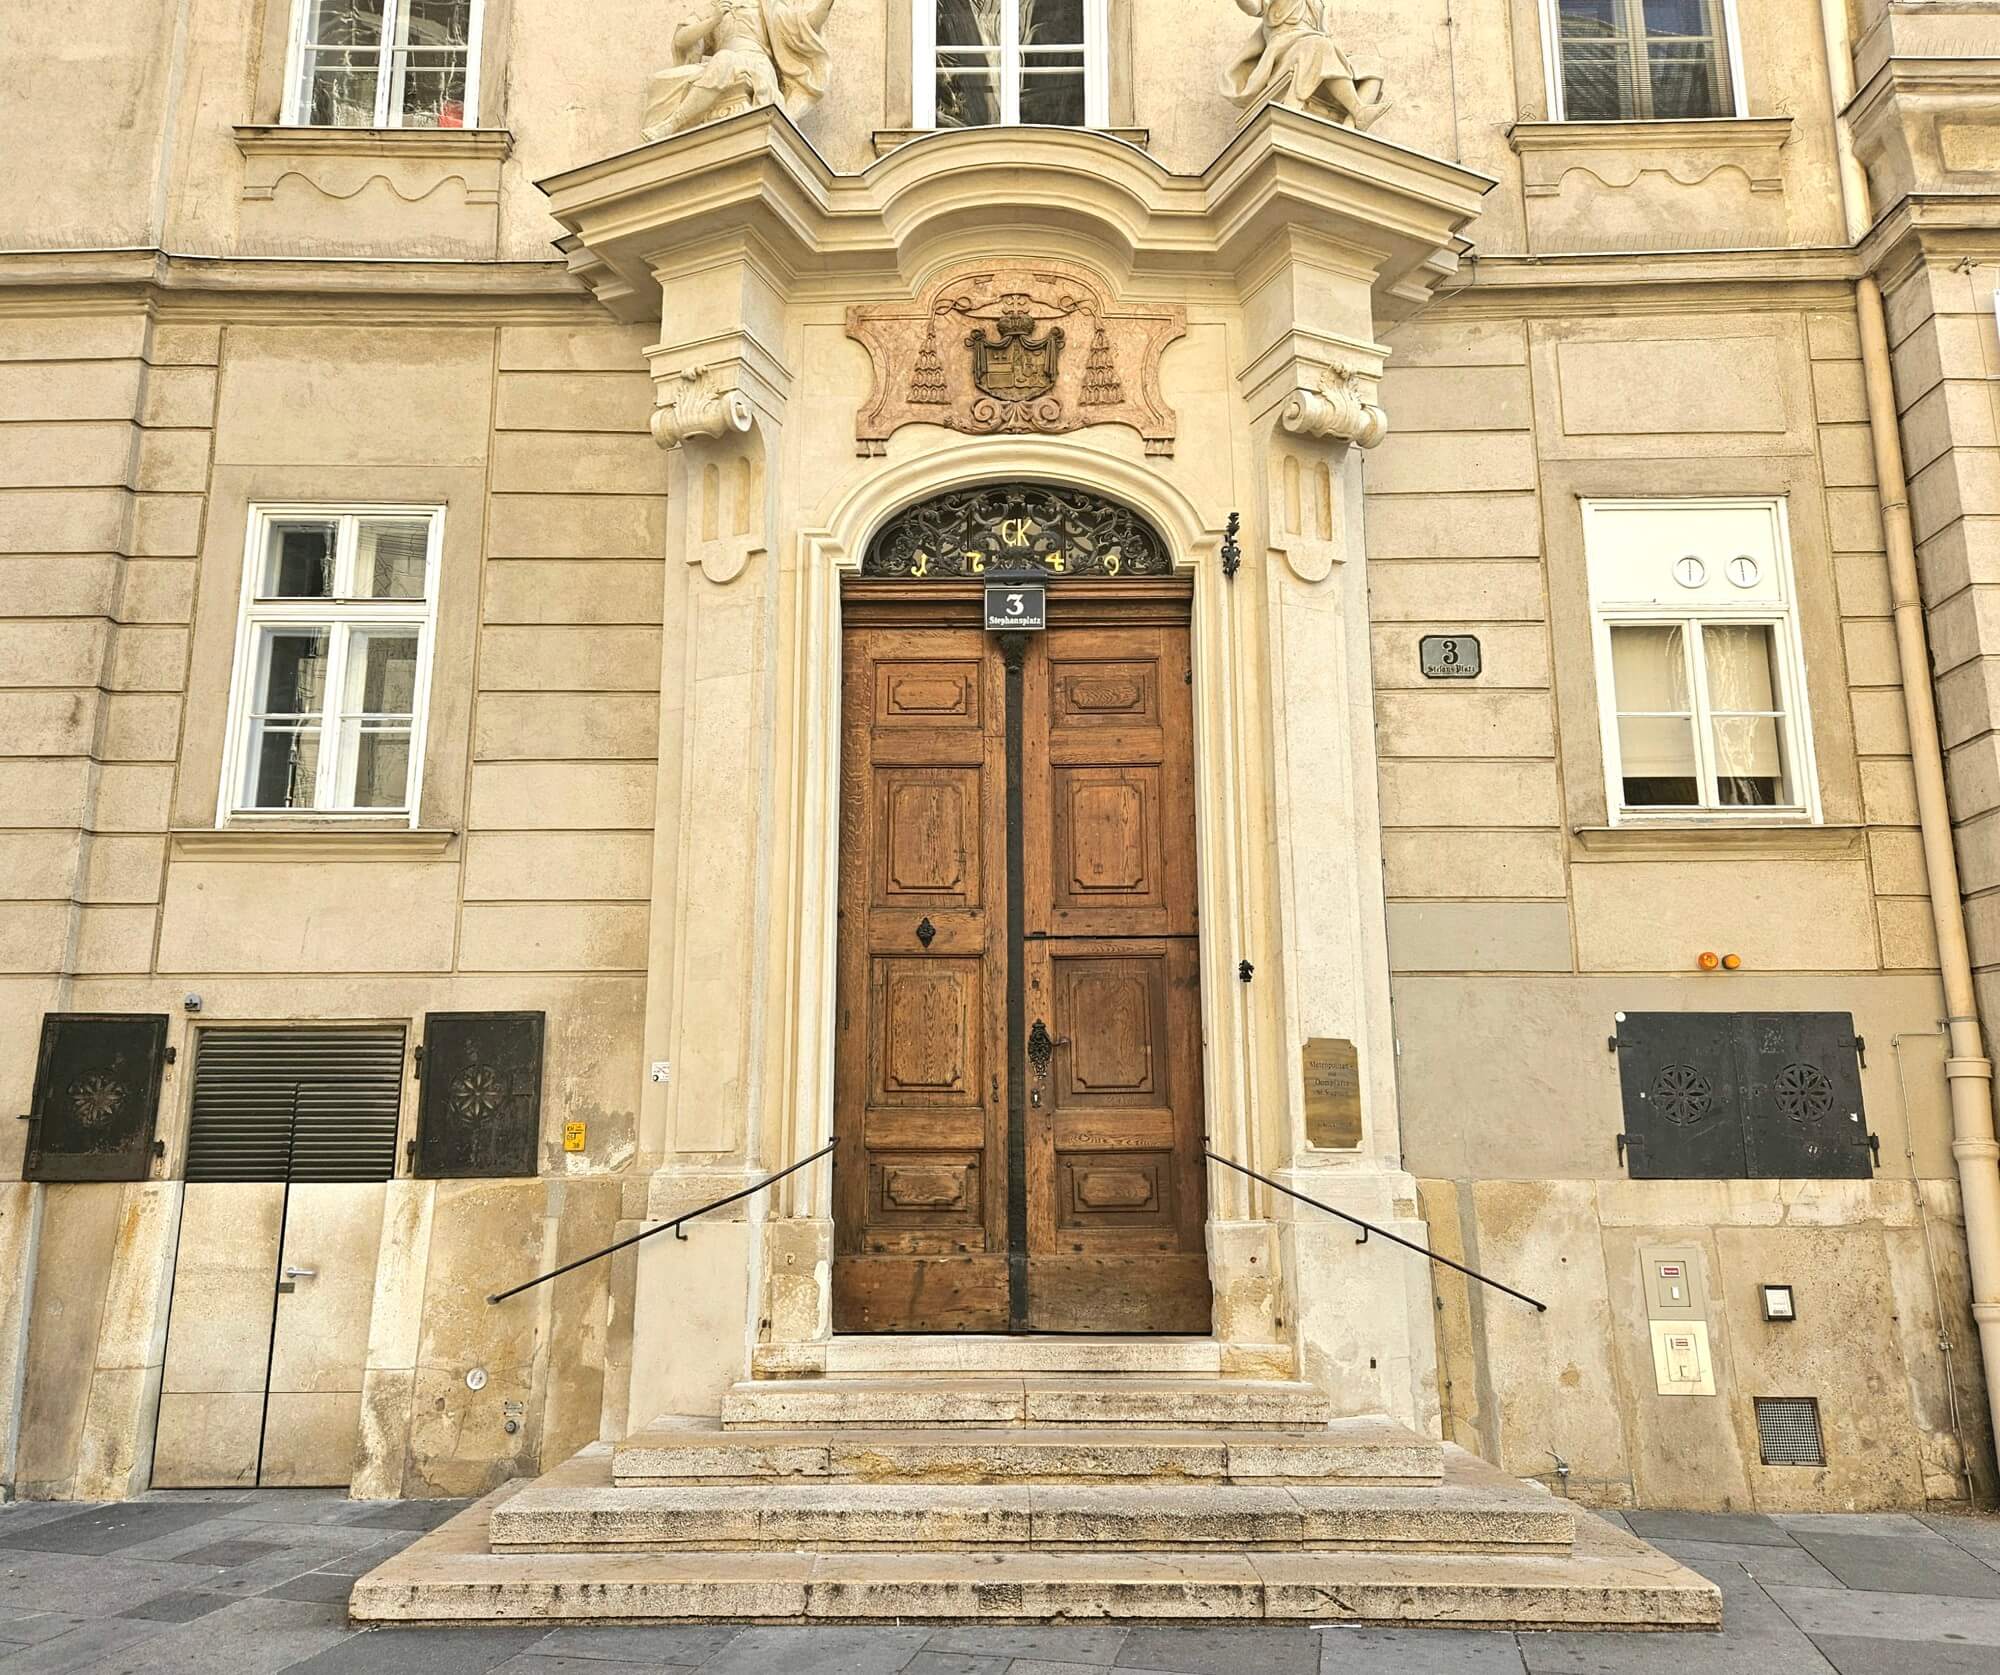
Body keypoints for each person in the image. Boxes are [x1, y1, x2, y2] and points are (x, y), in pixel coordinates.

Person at [644, 0, 838, 139]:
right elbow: (681, 40)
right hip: (721, 64)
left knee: (723, 59)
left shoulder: (766, 5)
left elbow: (807, 25)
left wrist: (827, 4)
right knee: (718, 61)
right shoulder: (715, 5)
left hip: (757, 64)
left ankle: (672, 123)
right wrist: (712, 21)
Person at [1223, 0, 1389, 130]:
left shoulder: (1318, 3)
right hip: (1285, 52)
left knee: (1374, 65)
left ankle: (1350, 127)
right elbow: (1253, 6)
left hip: (1314, 49)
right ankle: (1358, 110)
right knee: (1319, 45)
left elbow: (1323, 34)